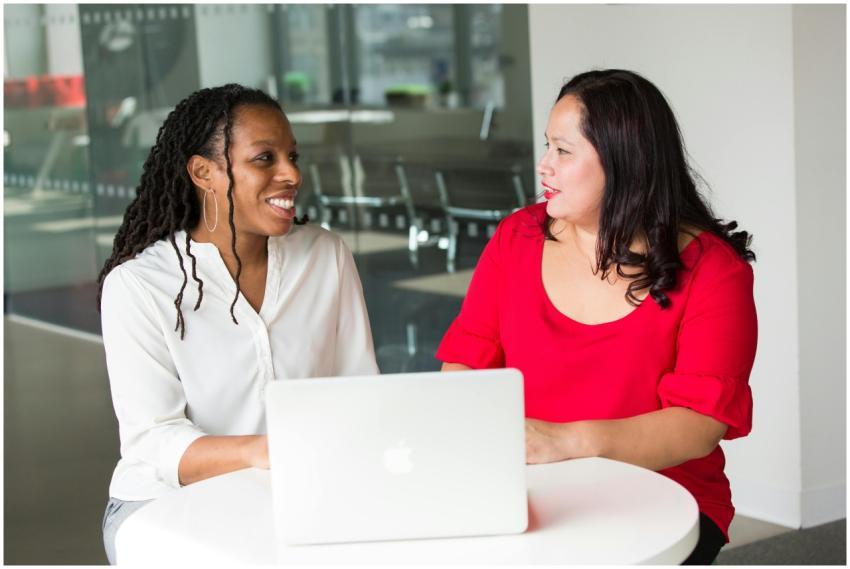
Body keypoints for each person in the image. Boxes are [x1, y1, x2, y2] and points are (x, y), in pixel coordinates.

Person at [436, 69, 757, 565]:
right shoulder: (516, 237)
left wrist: (565, 442)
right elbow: (466, 362)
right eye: (547, 146)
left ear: (625, 162)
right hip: (532, 484)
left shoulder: (714, 269)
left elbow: (700, 424)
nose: (544, 166)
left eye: (563, 151)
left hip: (664, 496)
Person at [97, 84, 378, 564]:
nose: (291, 174)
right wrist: (262, 452)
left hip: (297, 489)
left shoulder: (325, 256)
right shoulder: (138, 285)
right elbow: (152, 441)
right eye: (264, 158)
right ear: (203, 173)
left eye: (292, 156)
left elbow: (358, 387)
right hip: (165, 501)